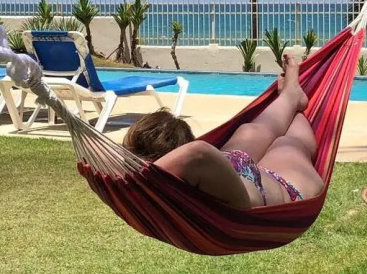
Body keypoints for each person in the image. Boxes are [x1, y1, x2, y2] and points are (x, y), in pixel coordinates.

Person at [123, 52, 321, 208]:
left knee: (249, 130)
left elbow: (197, 152)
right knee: (286, 144)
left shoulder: (191, 163)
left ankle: (289, 97)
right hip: (284, 185)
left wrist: (141, 176)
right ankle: (291, 99)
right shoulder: (189, 175)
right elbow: (196, 153)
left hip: (235, 165)